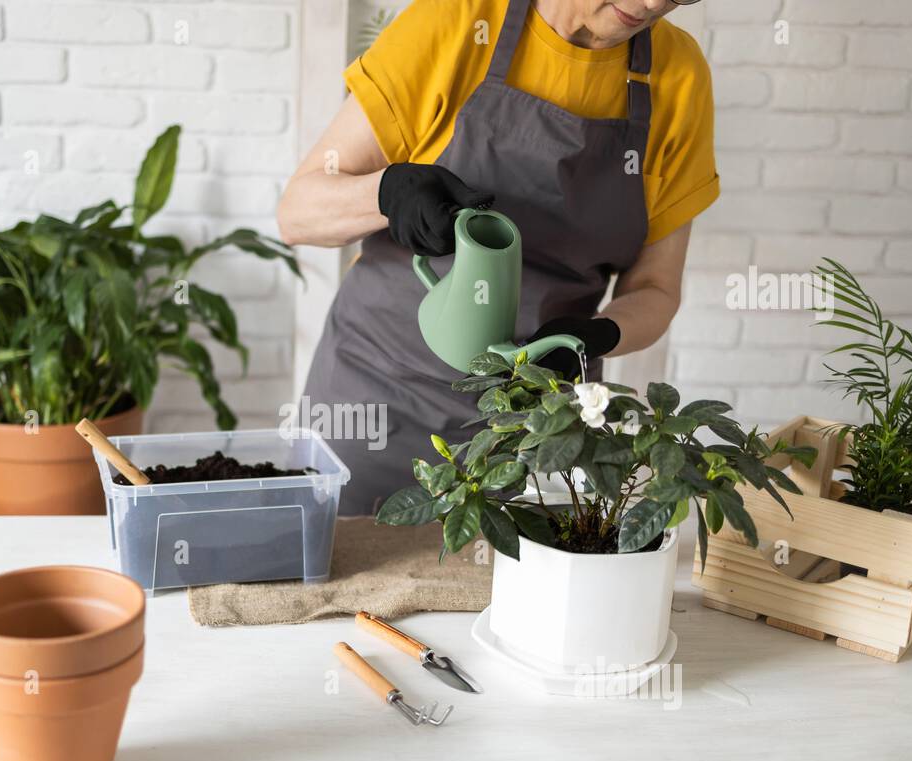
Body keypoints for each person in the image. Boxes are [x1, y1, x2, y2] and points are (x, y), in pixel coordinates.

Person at [277, 0, 718, 515]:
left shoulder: (679, 76)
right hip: (373, 399)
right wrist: (387, 193)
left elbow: (656, 289)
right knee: (333, 581)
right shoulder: (459, 19)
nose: (652, 4)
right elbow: (297, 213)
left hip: (530, 425)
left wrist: (594, 336)